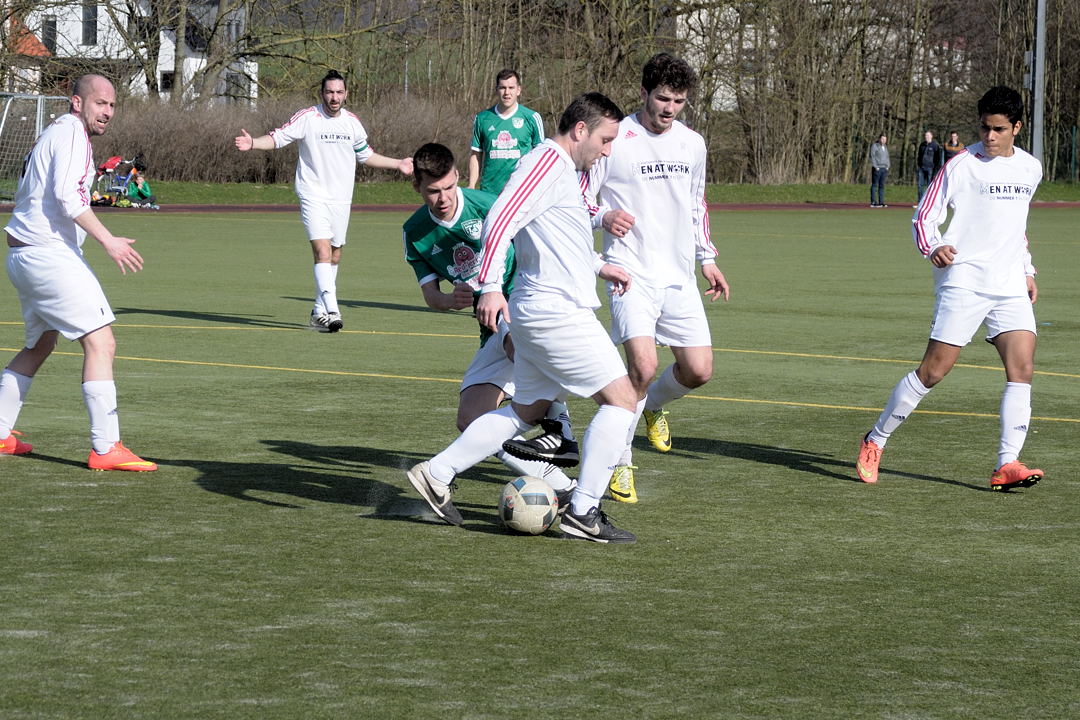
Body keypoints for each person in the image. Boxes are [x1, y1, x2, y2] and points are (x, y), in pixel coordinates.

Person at [406, 92, 640, 543]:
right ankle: (583, 510)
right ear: (580, 131)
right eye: (606, 139)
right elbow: (499, 219)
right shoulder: (545, 163)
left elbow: (557, 239)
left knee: (524, 411)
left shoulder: (561, 172)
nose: (607, 150)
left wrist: (598, 265)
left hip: (541, 309)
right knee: (622, 401)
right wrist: (491, 285)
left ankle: (438, 472)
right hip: (555, 312)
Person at [515, 52, 728, 505]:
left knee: (699, 370)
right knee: (643, 368)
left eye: (680, 101)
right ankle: (620, 461)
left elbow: (697, 204)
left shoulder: (693, 143)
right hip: (630, 274)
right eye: (663, 98)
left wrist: (706, 258)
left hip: (678, 277)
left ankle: (650, 407)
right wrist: (605, 215)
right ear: (645, 93)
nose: (670, 109)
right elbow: (579, 200)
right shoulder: (618, 139)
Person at [857, 86, 1044, 491]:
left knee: (1022, 369)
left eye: (998, 129)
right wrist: (934, 245)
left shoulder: (1031, 168)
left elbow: (1017, 227)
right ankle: (875, 439)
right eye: (984, 128)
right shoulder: (962, 165)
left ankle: (1006, 464)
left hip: (1009, 283)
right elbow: (925, 214)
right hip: (964, 281)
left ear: (1017, 127)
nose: (989, 136)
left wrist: (1027, 270)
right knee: (934, 371)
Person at [0, 74, 156, 471]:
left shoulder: (56, 132)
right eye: (99, 103)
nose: (106, 111)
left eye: (112, 105)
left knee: (40, 345)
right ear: (76, 102)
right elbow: (68, 197)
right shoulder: (71, 134)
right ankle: (105, 448)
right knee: (102, 344)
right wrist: (109, 240)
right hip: (48, 256)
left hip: (24, 255)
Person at [402, 142, 577, 492]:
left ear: (457, 177)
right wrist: (451, 301)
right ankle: (557, 481)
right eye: (433, 191)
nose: (443, 198)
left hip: (522, 299)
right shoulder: (415, 231)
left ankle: (561, 428)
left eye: (450, 187)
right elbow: (431, 296)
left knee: (519, 342)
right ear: (417, 188)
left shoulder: (486, 205)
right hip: (488, 325)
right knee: (471, 419)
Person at [234, 69, 413, 333]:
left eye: (339, 92)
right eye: (329, 92)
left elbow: (366, 155)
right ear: (322, 93)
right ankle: (332, 309)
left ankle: (318, 312)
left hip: (341, 199)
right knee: (322, 252)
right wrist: (254, 143)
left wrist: (398, 163)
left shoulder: (352, 122)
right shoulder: (308, 117)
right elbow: (277, 137)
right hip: (312, 194)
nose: (334, 97)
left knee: (335, 255)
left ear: (346, 94)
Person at [467, 69, 544, 194]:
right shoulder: (482, 119)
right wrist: (471, 185)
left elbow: (541, 157)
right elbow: (476, 154)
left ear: (518, 90)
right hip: (489, 192)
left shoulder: (532, 118)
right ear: (496, 89)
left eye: (511, 88)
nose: (507, 92)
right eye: (502, 88)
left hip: (521, 192)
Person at [915, 130, 942, 203]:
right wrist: (918, 164)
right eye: (925, 135)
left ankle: (928, 202)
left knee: (929, 186)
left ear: (931, 136)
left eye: (928, 135)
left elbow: (938, 158)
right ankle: (920, 202)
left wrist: (936, 169)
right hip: (921, 168)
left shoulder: (935, 145)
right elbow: (919, 156)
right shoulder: (922, 145)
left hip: (931, 169)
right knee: (920, 186)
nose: (926, 137)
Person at [869, 133, 890, 207]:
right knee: (875, 185)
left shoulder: (885, 147)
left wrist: (888, 166)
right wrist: (875, 166)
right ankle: (873, 202)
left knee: (882, 186)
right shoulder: (875, 146)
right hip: (877, 168)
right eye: (882, 139)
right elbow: (872, 156)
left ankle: (881, 202)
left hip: (884, 169)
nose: (883, 140)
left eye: (885, 139)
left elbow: (887, 157)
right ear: (879, 139)